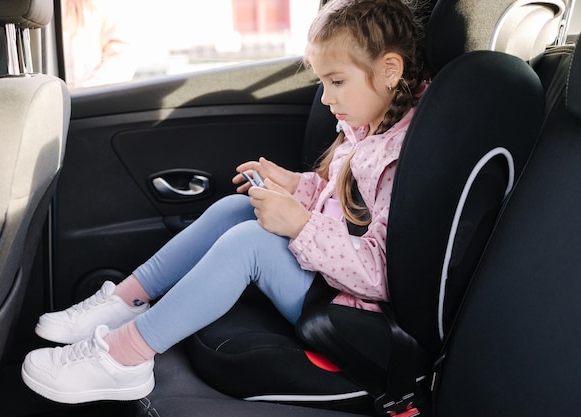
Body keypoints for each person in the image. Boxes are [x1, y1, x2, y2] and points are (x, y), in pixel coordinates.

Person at [21, 0, 427, 404]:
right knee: (237, 208)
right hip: (331, 280)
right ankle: (125, 301)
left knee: (250, 242)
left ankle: (124, 360)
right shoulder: (366, 130)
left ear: (390, 71)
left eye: (336, 82)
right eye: (322, 83)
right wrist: (294, 185)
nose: (324, 99)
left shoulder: (397, 157)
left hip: (351, 310)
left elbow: (377, 274)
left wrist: (300, 224)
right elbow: (343, 208)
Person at [61, 0, 136, 89]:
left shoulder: (101, 7)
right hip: (51, 96)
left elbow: (123, 58)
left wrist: (88, 90)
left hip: (87, 95)